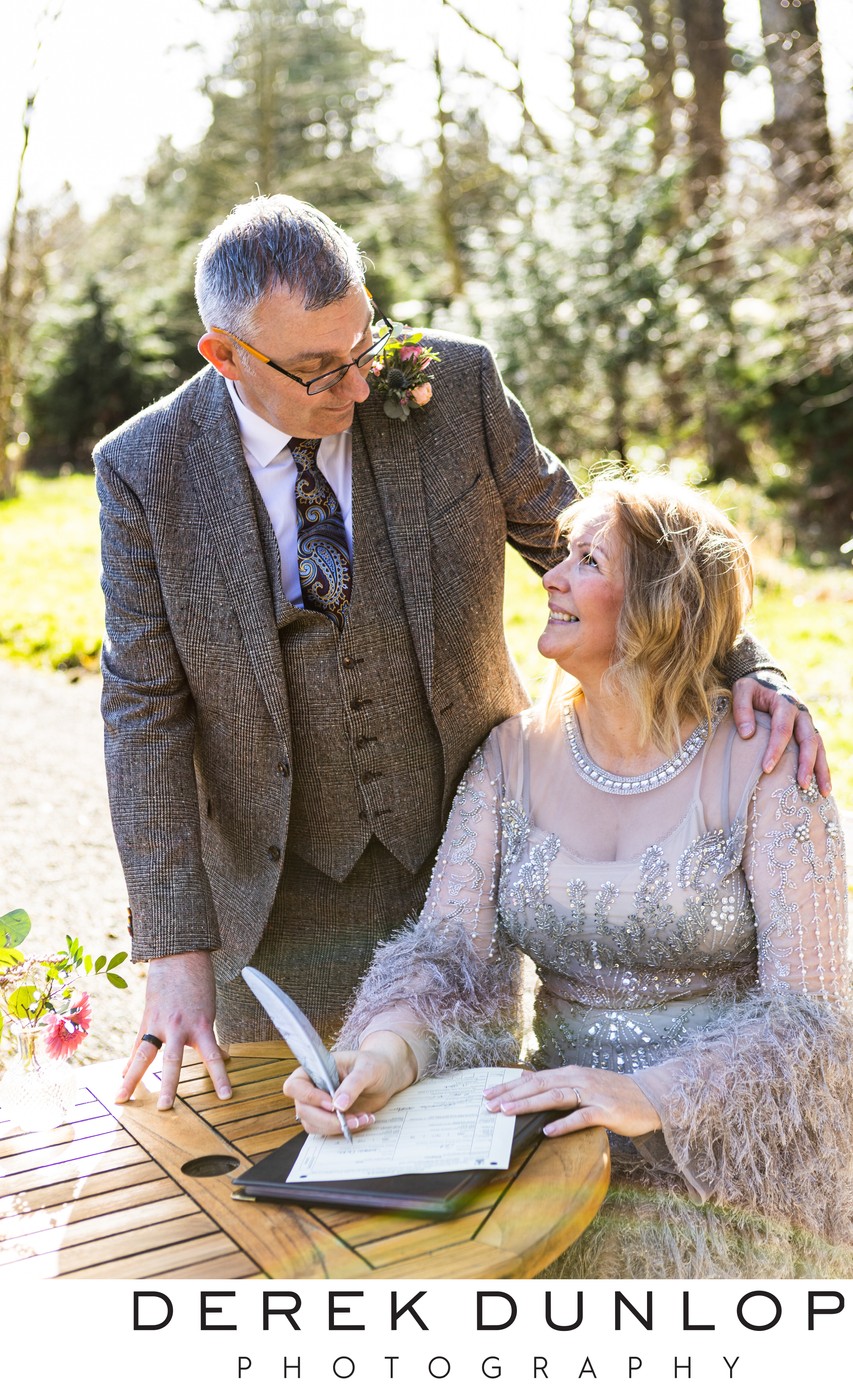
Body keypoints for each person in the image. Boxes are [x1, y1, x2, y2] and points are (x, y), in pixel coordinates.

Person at [95, 194, 824, 1112]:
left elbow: (613, 553)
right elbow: (143, 711)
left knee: (449, 1161)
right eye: (319, 370)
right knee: (286, 1154)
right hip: (266, 896)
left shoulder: (458, 387)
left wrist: (747, 663)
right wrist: (175, 950)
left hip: (457, 863)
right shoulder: (142, 469)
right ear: (225, 354)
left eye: (364, 347)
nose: (359, 387)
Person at [287, 475, 852, 1278]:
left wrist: (650, 1095)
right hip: (546, 1141)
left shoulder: (769, 765)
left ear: (662, 603)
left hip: (725, 1167)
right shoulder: (509, 755)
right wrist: (382, 1055)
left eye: (585, 560)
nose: (548, 577)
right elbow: (448, 959)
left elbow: (811, 1019)